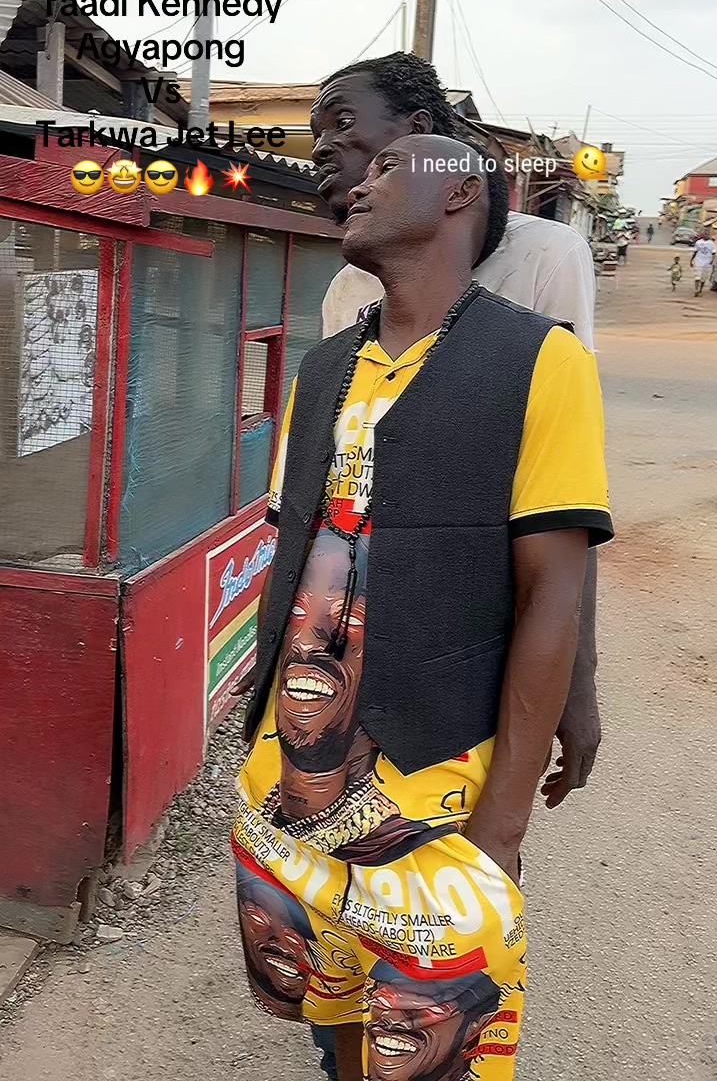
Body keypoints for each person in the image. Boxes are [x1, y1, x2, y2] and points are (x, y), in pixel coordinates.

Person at [233, 133, 613, 1081]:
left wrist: (499, 835)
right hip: (287, 794)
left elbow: (553, 597)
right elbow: (301, 562)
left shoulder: (541, 362)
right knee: (332, 1026)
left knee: (427, 1051)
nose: (358, 184)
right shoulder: (323, 369)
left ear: (460, 195)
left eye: (390, 168)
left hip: (435, 803)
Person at [690, 230, 717, 296]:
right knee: (697, 277)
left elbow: (713, 253)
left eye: (708, 234)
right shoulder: (698, 242)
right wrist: (691, 260)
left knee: (703, 279)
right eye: (705, 234)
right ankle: (696, 290)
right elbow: (695, 251)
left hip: (707, 264)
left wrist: (712, 260)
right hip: (698, 262)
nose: (706, 235)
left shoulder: (711, 244)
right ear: (703, 235)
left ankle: (700, 290)